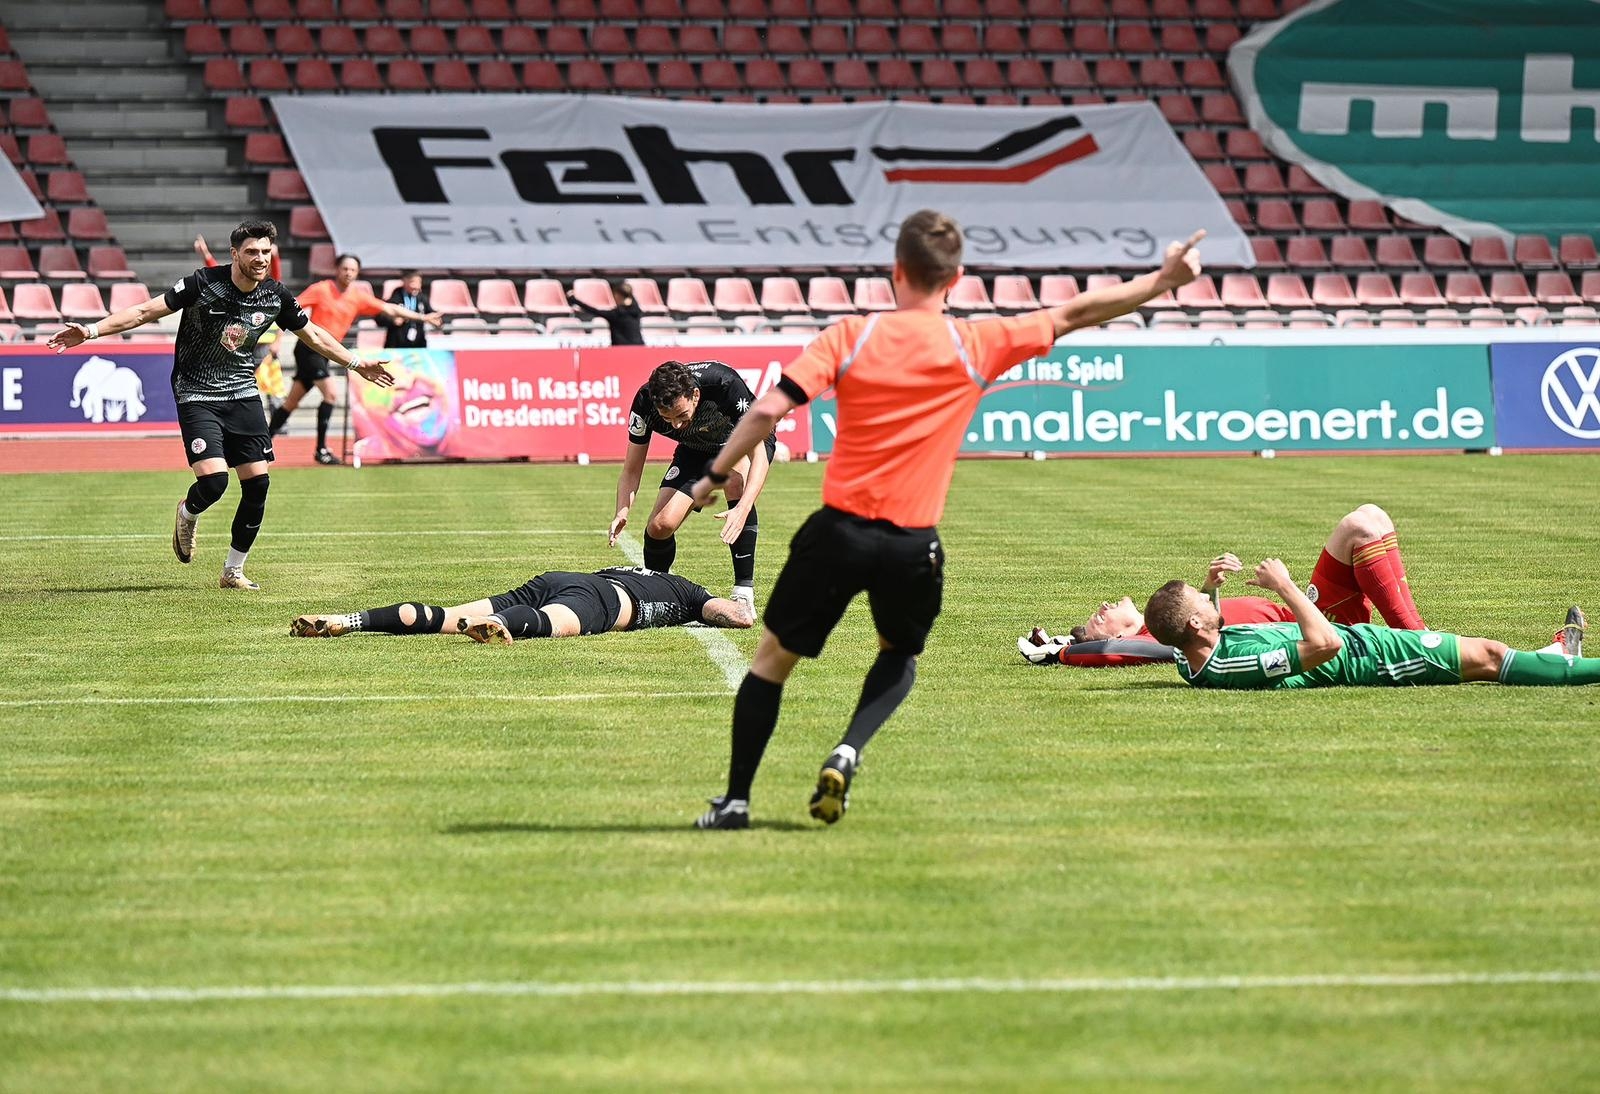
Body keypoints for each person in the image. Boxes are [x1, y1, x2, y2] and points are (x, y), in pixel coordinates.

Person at [683, 209, 1207, 830]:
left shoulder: (851, 337)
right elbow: (1074, 312)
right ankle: (848, 750)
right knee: (898, 657)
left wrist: (714, 477)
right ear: (956, 278)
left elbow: (767, 410)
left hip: (839, 531)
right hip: (911, 544)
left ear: (896, 272)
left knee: (772, 661)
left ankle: (736, 802)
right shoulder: (975, 344)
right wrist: (1162, 281)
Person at [47, 219, 396, 590]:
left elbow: (313, 334)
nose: (260, 258)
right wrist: (91, 331)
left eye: (266, 252)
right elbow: (145, 312)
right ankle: (188, 512)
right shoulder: (202, 283)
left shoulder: (275, 295)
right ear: (234, 254)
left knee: (258, 484)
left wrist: (356, 364)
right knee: (214, 482)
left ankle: (233, 571)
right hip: (196, 393)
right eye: (252, 252)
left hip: (242, 392)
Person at [1021, 504, 1437, 668]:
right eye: (1100, 619)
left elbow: (1215, 623)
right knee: (1359, 525)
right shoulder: (1156, 640)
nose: (1103, 606)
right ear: (1119, 634)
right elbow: (1111, 652)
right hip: (1315, 625)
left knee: (1372, 518)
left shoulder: (1175, 622)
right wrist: (1063, 651)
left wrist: (1209, 587)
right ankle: (1420, 640)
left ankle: (1417, 635)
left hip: (1309, 614)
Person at [1143, 558, 1596, 689]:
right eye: (1201, 599)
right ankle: (1576, 666)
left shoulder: (1189, 654)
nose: (1207, 597)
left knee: (1487, 657)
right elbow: (1325, 645)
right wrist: (1284, 586)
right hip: (1372, 658)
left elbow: (1200, 635)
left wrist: (1209, 588)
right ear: (1197, 623)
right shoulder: (1235, 665)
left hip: (1365, 642)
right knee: (1491, 657)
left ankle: (1558, 656)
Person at [611, 360, 774, 613]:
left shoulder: (724, 385)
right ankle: (657, 593)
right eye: (667, 418)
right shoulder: (644, 402)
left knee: (733, 481)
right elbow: (631, 469)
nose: (675, 425)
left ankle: (743, 594)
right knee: (660, 526)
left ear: (695, 395)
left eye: (681, 415)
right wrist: (622, 511)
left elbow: (759, 458)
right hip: (695, 446)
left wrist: (743, 508)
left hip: (739, 439)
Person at [267, 253, 442, 465]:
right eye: (345, 269)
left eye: (353, 270)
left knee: (292, 402)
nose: (348, 273)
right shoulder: (321, 289)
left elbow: (390, 308)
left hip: (327, 352)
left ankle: (264, 443)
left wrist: (423, 317)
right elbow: (288, 310)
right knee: (331, 394)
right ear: (337, 270)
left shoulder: (358, 296)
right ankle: (321, 450)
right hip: (309, 349)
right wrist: (277, 339)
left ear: (357, 273)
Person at [291, 565, 753, 642]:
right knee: (550, 624)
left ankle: (349, 620)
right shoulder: (687, 589)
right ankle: (498, 623)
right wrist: (740, 605)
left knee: (448, 616)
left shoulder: (640, 571)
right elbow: (733, 616)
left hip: (562, 577)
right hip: (605, 598)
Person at [567, 281, 644, 345]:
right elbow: (630, 299)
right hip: (639, 348)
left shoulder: (614, 315)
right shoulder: (637, 311)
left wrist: (573, 299)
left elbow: (594, 310)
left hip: (620, 350)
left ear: (618, 296)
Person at [384, 270, 433, 349]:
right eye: (413, 282)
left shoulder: (422, 298)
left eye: (419, 283)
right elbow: (381, 317)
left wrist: (435, 319)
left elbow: (430, 313)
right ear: (404, 281)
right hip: (396, 346)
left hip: (418, 345)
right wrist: (393, 320)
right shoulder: (396, 297)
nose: (416, 286)